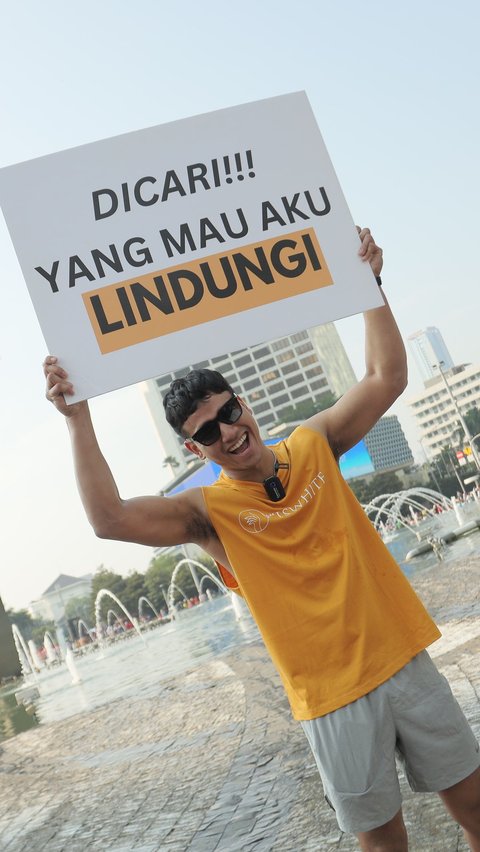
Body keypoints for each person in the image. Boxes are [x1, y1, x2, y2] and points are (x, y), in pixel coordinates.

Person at [44, 228, 480, 851]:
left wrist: (370, 287)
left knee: (476, 808)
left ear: (242, 404)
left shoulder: (313, 443)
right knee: (385, 848)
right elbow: (108, 518)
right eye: (206, 432)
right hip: (330, 702)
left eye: (228, 411)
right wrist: (78, 418)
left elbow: (387, 375)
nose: (227, 431)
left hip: (403, 658)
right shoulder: (207, 513)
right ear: (194, 449)